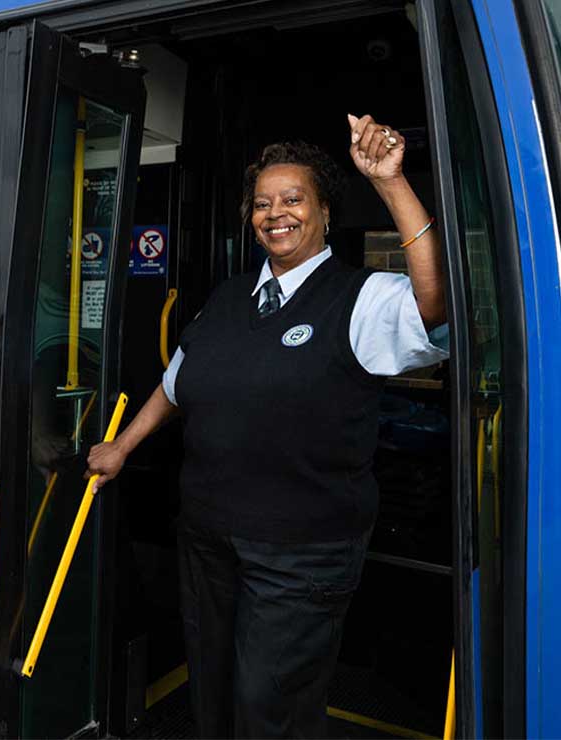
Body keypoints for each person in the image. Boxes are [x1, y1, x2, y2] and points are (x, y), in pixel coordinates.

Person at [85, 114, 448, 738]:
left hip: (301, 555)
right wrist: (122, 444)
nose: (274, 213)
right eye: (261, 203)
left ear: (325, 212)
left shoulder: (360, 297)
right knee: (214, 691)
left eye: (292, 199)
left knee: (269, 707)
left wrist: (390, 183)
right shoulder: (229, 299)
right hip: (208, 541)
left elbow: (435, 303)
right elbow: (178, 382)